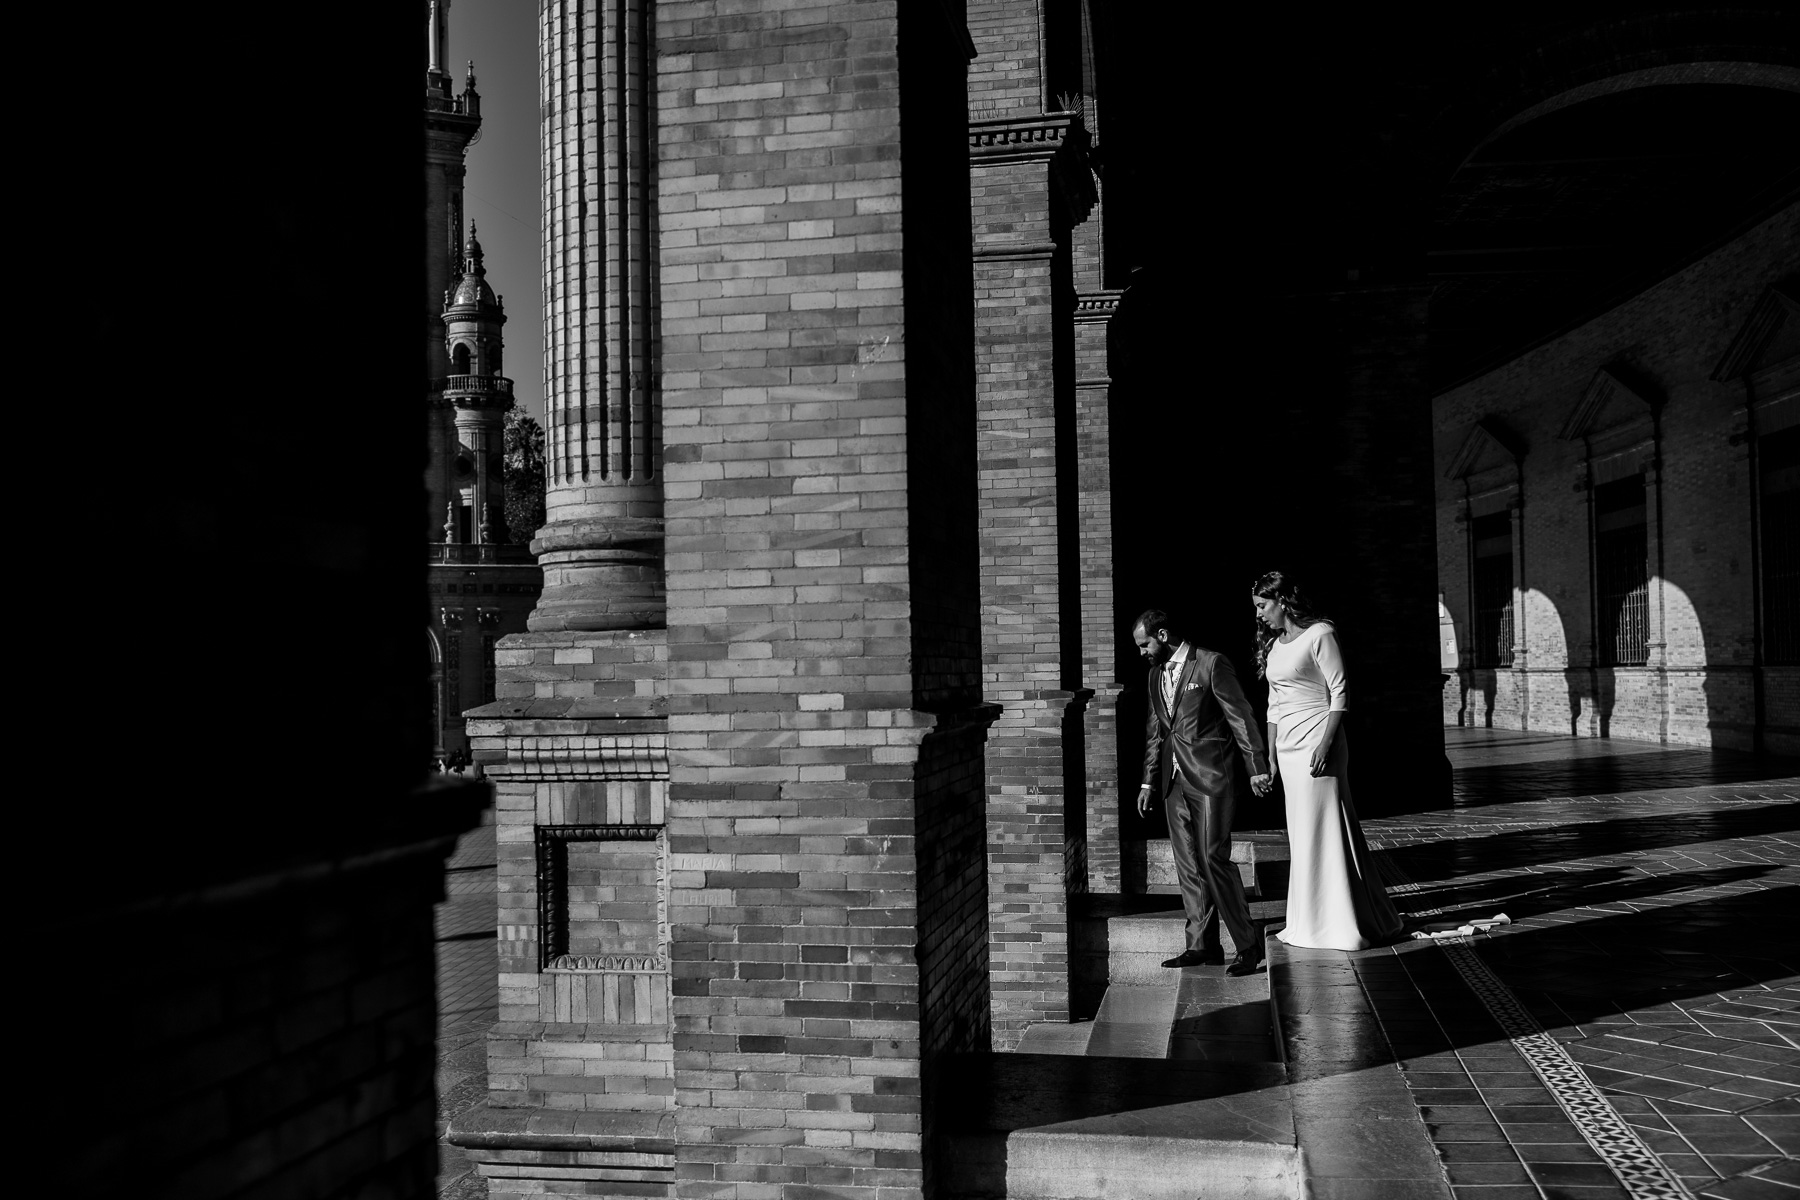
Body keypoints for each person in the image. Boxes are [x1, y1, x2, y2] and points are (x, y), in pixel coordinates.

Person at [1248, 571, 1403, 951]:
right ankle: (1310, 919)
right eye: (1256, 608)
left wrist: (1326, 743)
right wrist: (1269, 755)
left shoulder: (1320, 634)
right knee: (1301, 831)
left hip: (1320, 740)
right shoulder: (1274, 644)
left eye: (1263, 606)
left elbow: (1340, 692)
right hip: (1287, 747)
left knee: (1328, 824)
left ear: (1282, 600)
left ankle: (1342, 920)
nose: (1259, 615)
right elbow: (1273, 704)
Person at [1133, 609, 1273, 977]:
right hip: (1172, 783)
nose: (1142, 652)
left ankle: (1247, 946)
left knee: (1214, 858)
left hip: (1211, 777)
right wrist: (1148, 782)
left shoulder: (1211, 663)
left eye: (1144, 644)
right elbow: (1155, 732)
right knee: (1188, 865)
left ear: (1162, 635)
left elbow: (1240, 716)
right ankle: (1201, 946)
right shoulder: (1154, 676)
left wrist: (1256, 766)